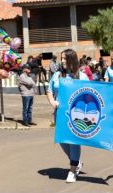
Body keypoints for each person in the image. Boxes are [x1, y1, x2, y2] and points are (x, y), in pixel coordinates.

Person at [47, 49, 89, 183]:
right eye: (61, 58)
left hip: (76, 115)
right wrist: (52, 102)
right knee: (61, 139)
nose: (62, 61)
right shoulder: (58, 75)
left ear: (72, 60)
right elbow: (49, 91)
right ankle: (76, 162)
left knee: (73, 141)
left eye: (65, 58)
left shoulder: (81, 76)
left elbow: (90, 93)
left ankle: (72, 169)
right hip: (60, 113)